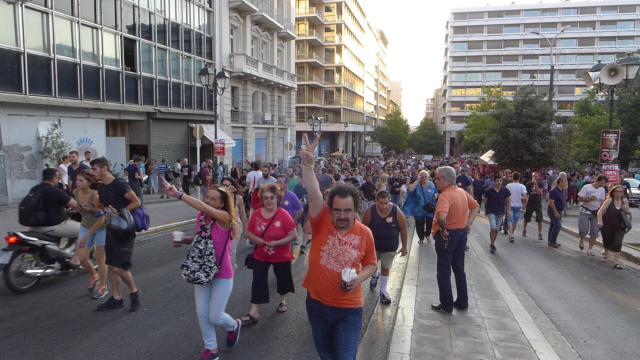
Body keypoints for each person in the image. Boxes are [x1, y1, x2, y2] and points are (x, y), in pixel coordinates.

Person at [300, 134, 377, 360]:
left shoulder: (365, 233)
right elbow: (314, 193)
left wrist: (359, 278)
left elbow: (371, 264)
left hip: (349, 309)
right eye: (337, 210)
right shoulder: (321, 220)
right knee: (326, 354)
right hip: (317, 304)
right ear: (330, 209)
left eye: (347, 211)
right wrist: (307, 164)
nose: (341, 216)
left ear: (356, 210)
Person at [163, 179, 241, 360]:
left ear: (221, 204)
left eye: (213, 199)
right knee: (202, 313)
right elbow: (200, 238)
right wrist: (183, 240)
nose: (207, 201)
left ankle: (233, 326)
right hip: (202, 270)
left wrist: (178, 194)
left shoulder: (225, 217)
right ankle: (211, 349)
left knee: (215, 315)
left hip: (222, 273)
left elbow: (206, 209)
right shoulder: (201, 217)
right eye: (207, 197)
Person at [89, 157, 141, 311]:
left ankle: (134, 292)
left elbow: (136, 202)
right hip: (111, 229)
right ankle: (117, 298)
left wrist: (118, 213)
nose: (92, 172)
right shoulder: (102, 188)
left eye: (94, 169)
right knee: (111, 266)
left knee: (120, 267)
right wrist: (92, 209)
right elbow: (105, 207)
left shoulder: (119, 184)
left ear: (104, 168)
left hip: (125, 230)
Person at [241, 183, 297, 323]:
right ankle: (254, 310)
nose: (269, 200)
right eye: (265, 198)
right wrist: (256, 239)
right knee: (258, 279)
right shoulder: (256, 214)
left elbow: (293, 235)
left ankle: (282, 299)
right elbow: (248, 232)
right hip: (261, 254)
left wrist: (277, 243)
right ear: (262, 199)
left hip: (281, 254)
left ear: (277, 198)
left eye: (272, 197)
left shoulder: (283, 214)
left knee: (282, 278)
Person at [431, 166, 479, 314]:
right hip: (461, 234)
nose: (436, 181)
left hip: (448, 235)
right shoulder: (461, 192)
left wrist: (443, 230)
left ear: (448, 180)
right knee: (459, 269)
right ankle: (462, 302)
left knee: (444, 272)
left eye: (439, 178)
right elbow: (475, 206)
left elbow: (442, 217)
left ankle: (446, 305)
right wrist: (468, 223)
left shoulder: (445, 196)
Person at [361, 191, 408, 303]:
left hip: (390, 246)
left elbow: (403, 228)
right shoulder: (371, 210)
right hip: (373, 246)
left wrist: (404, 247)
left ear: (390, 201)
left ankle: (383, 291)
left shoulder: (396, 211)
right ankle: (375, 274)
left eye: (386, 203)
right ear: (376, 201)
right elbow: (363, 228)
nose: (384, 206)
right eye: (381, 203)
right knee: (371, 266)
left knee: (386, 268)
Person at [74, 170, 108, 299]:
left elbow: (101, 218)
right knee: (82, 258)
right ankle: (94, 277)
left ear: (88, 182)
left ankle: (103, 286)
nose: (77, 182)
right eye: (77, 180)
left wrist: (87, 235)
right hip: (85, 225)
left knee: (100, 258)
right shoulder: (76, 192)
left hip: (101, 228)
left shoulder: (95, 196)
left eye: (81, 180)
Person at [28, 168, 81, 246]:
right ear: (54, 179)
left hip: (34, 226)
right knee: (84, 229)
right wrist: (89, 210)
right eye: (58, 177)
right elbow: (75, 206)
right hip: (52, 227)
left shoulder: (34, 189)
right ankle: (75, 257)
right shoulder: (56, 191)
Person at [598, 184, 631, 270]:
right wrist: (600, 221)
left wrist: (625, 209)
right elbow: (600, 211)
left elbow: (628, 213)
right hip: (608, 224)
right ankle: (606, 254)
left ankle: (616, 262)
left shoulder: (624, 201)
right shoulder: (609, 200)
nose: (619, 193)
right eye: (617, 191)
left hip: (620, 226)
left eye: (620, 191)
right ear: (613, 192)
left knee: (618, 242)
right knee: (608, 239)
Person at [401, 170, 437, 244]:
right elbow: (410, 190)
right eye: (422, 177)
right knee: (419, 225)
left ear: (428, 177)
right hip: (419, 209)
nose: (424, 178)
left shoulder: (431, 184)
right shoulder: (417, 185)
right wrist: (417, 181)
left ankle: (427, 235)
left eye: (425, 176)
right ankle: (421, 237)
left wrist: (436, 196)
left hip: (429, 208)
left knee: (429, 223)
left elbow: (436, 192)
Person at [221, 177, 249, 270]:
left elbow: (243, 215)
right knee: (223, 250)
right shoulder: (220, 197)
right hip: (223, 227)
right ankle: (225, 266)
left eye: (227, 185)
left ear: (233, 186)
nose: (225, 187)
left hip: (236, 227)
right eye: (223, 185)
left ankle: (230, 271)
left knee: (231, 250)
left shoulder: (238, 198)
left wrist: (246, 230)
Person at [578, 175, 607, 255]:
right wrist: (589, 199)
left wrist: (603, 210)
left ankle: (590, 249)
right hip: (585, 211)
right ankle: (581, 240)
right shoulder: (587, 187)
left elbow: (602, 201)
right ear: (597, 181)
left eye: (604, 183)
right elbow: (579, 198)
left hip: (595, 212)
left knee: (594, 231)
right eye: (601, 183)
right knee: (584, 229)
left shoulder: (602, 190)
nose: (602, 185)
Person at [484, 175, 511, 254]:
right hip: (491, 211)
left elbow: (509, 200)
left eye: (500, 181)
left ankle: (493, 243)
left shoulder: (505, 190)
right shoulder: (490, 191)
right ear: (494, 182)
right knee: (493, 227)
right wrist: (486, 209)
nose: (499, 183)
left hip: (500, 211)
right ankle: (492, 244)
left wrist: (509, 210)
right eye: (497, 181)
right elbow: (486, 200)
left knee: (496, 229)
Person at [276, 174, 303, 252]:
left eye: (280, 182)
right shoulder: (274, 195)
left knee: (287, 251)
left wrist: (293, 221)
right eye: (277, 182)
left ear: (286, 184)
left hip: (288, 229)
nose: (278, 184)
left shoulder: (292, 196)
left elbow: (300, 209)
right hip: (276, 226)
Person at [505, 172, 527, 243]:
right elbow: (525, 197)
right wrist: (524, 205)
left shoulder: (508, 185)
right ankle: (512, 233)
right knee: (515, 221)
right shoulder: (522, 186)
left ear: (512, 177)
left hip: (510, 205)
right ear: (519, 178)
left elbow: (506, 195)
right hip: (518, 205)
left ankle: (511, 234)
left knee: (510, 220)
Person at [522, 172, 545, 240]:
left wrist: (536, 184)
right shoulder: (528, 184)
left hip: (537, 203)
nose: (535, 178)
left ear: (538, 177)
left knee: (539, 218)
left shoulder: (541, 184)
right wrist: (524, 203)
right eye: (533, 176)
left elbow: (539, 192)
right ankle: (524, 230)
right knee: (527, 217)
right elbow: (525, 194)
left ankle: (540, 233)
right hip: (530, 203)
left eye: (536, 176)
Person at [294, 171, 312, 254]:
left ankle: (303, 246)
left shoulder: (310, 187)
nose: (297, 179)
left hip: (309, 210)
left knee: (306, 227)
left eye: (298, 178)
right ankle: (308, 239)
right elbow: (295, 197)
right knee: (302, 225)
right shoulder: (297, 187)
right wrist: (298, 201)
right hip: (300, 210)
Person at [547, 176, 567, 248]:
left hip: (560, 210)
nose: (566, 183)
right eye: (565, 181)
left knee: (553, 225)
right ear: (560, 182)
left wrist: (564, 208)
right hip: (554, 210)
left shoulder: (561, 190)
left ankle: (550, 240)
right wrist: (555, 212)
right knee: (558, 225)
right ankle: (553, 241)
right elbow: (551, 202)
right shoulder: (554, 191)